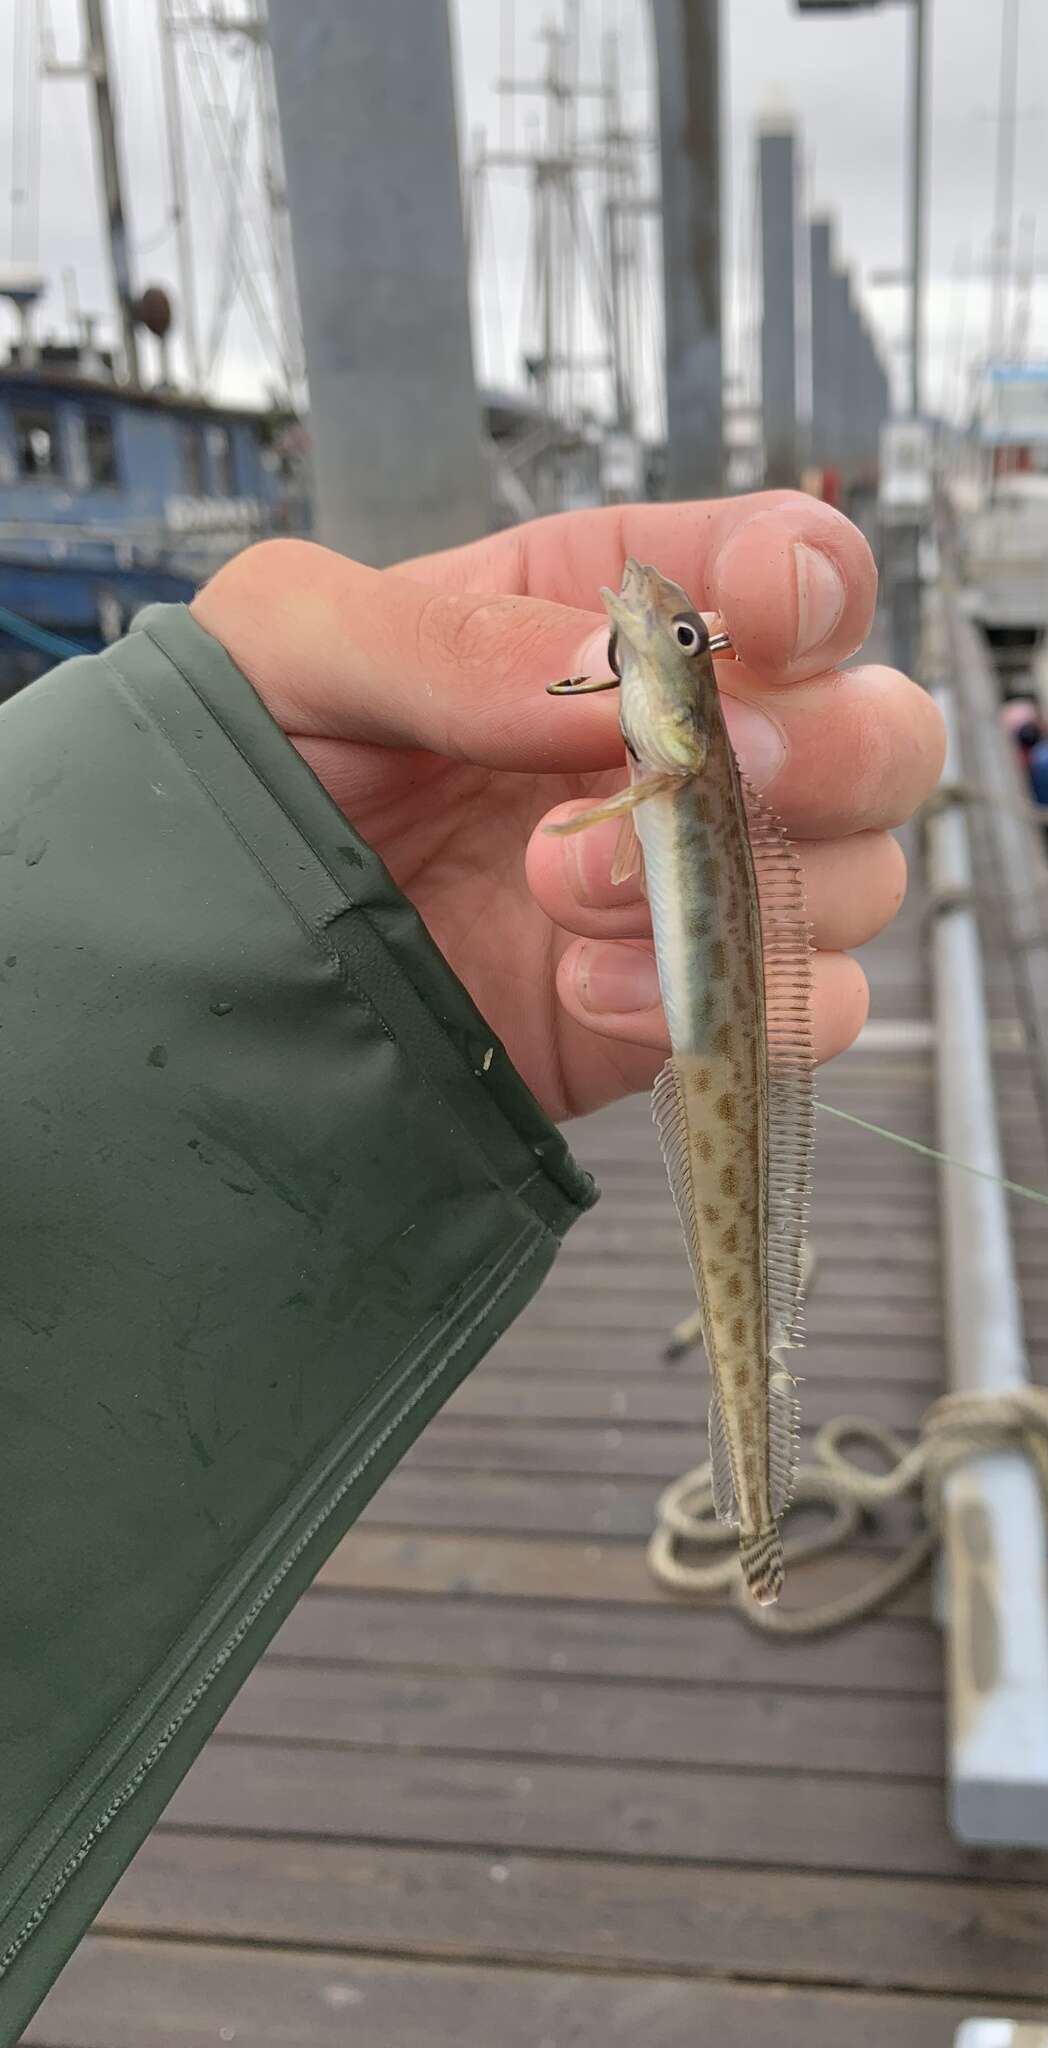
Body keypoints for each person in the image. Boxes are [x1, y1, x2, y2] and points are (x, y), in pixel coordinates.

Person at [0, 491, 944, 2035]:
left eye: (676, 649)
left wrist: (251, 874)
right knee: (733, 1247)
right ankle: (752, 1484)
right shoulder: (640, 736)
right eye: (661, 649)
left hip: (630, 970)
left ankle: (757, 1481)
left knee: (740, 1243)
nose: (652, 638)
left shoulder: (675, 750)